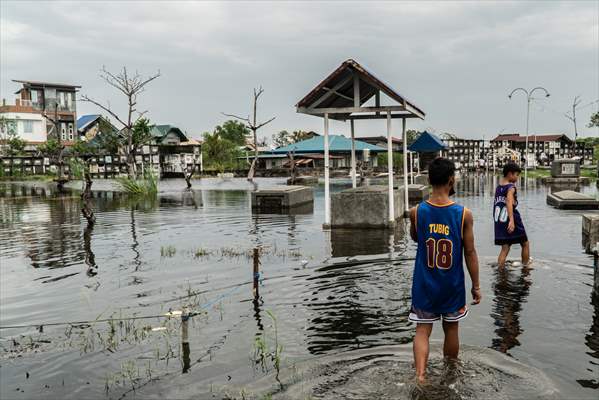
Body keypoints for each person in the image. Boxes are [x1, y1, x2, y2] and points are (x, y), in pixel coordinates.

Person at [408, 157, 481, 383]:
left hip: (424, 284)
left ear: (429, 180)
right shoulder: (463, 214)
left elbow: (415, 237)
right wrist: (476, 285)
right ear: (452, 180)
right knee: (451, 330)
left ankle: (421, 376)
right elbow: (470, 252)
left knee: (422, 330)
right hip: (452, 285)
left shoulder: (417, 211)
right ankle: (450, 374)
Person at [493, 162, 530, 267]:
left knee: (505, 247)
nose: (518, 177)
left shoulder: (498, 187)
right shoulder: (511, 187)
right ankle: (526, 268)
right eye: (516, 175)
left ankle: (500, 272)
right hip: (510, 218)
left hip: (499, 220)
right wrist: (512, 221)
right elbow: (509, 202)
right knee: (525, 243)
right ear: (510, 174)